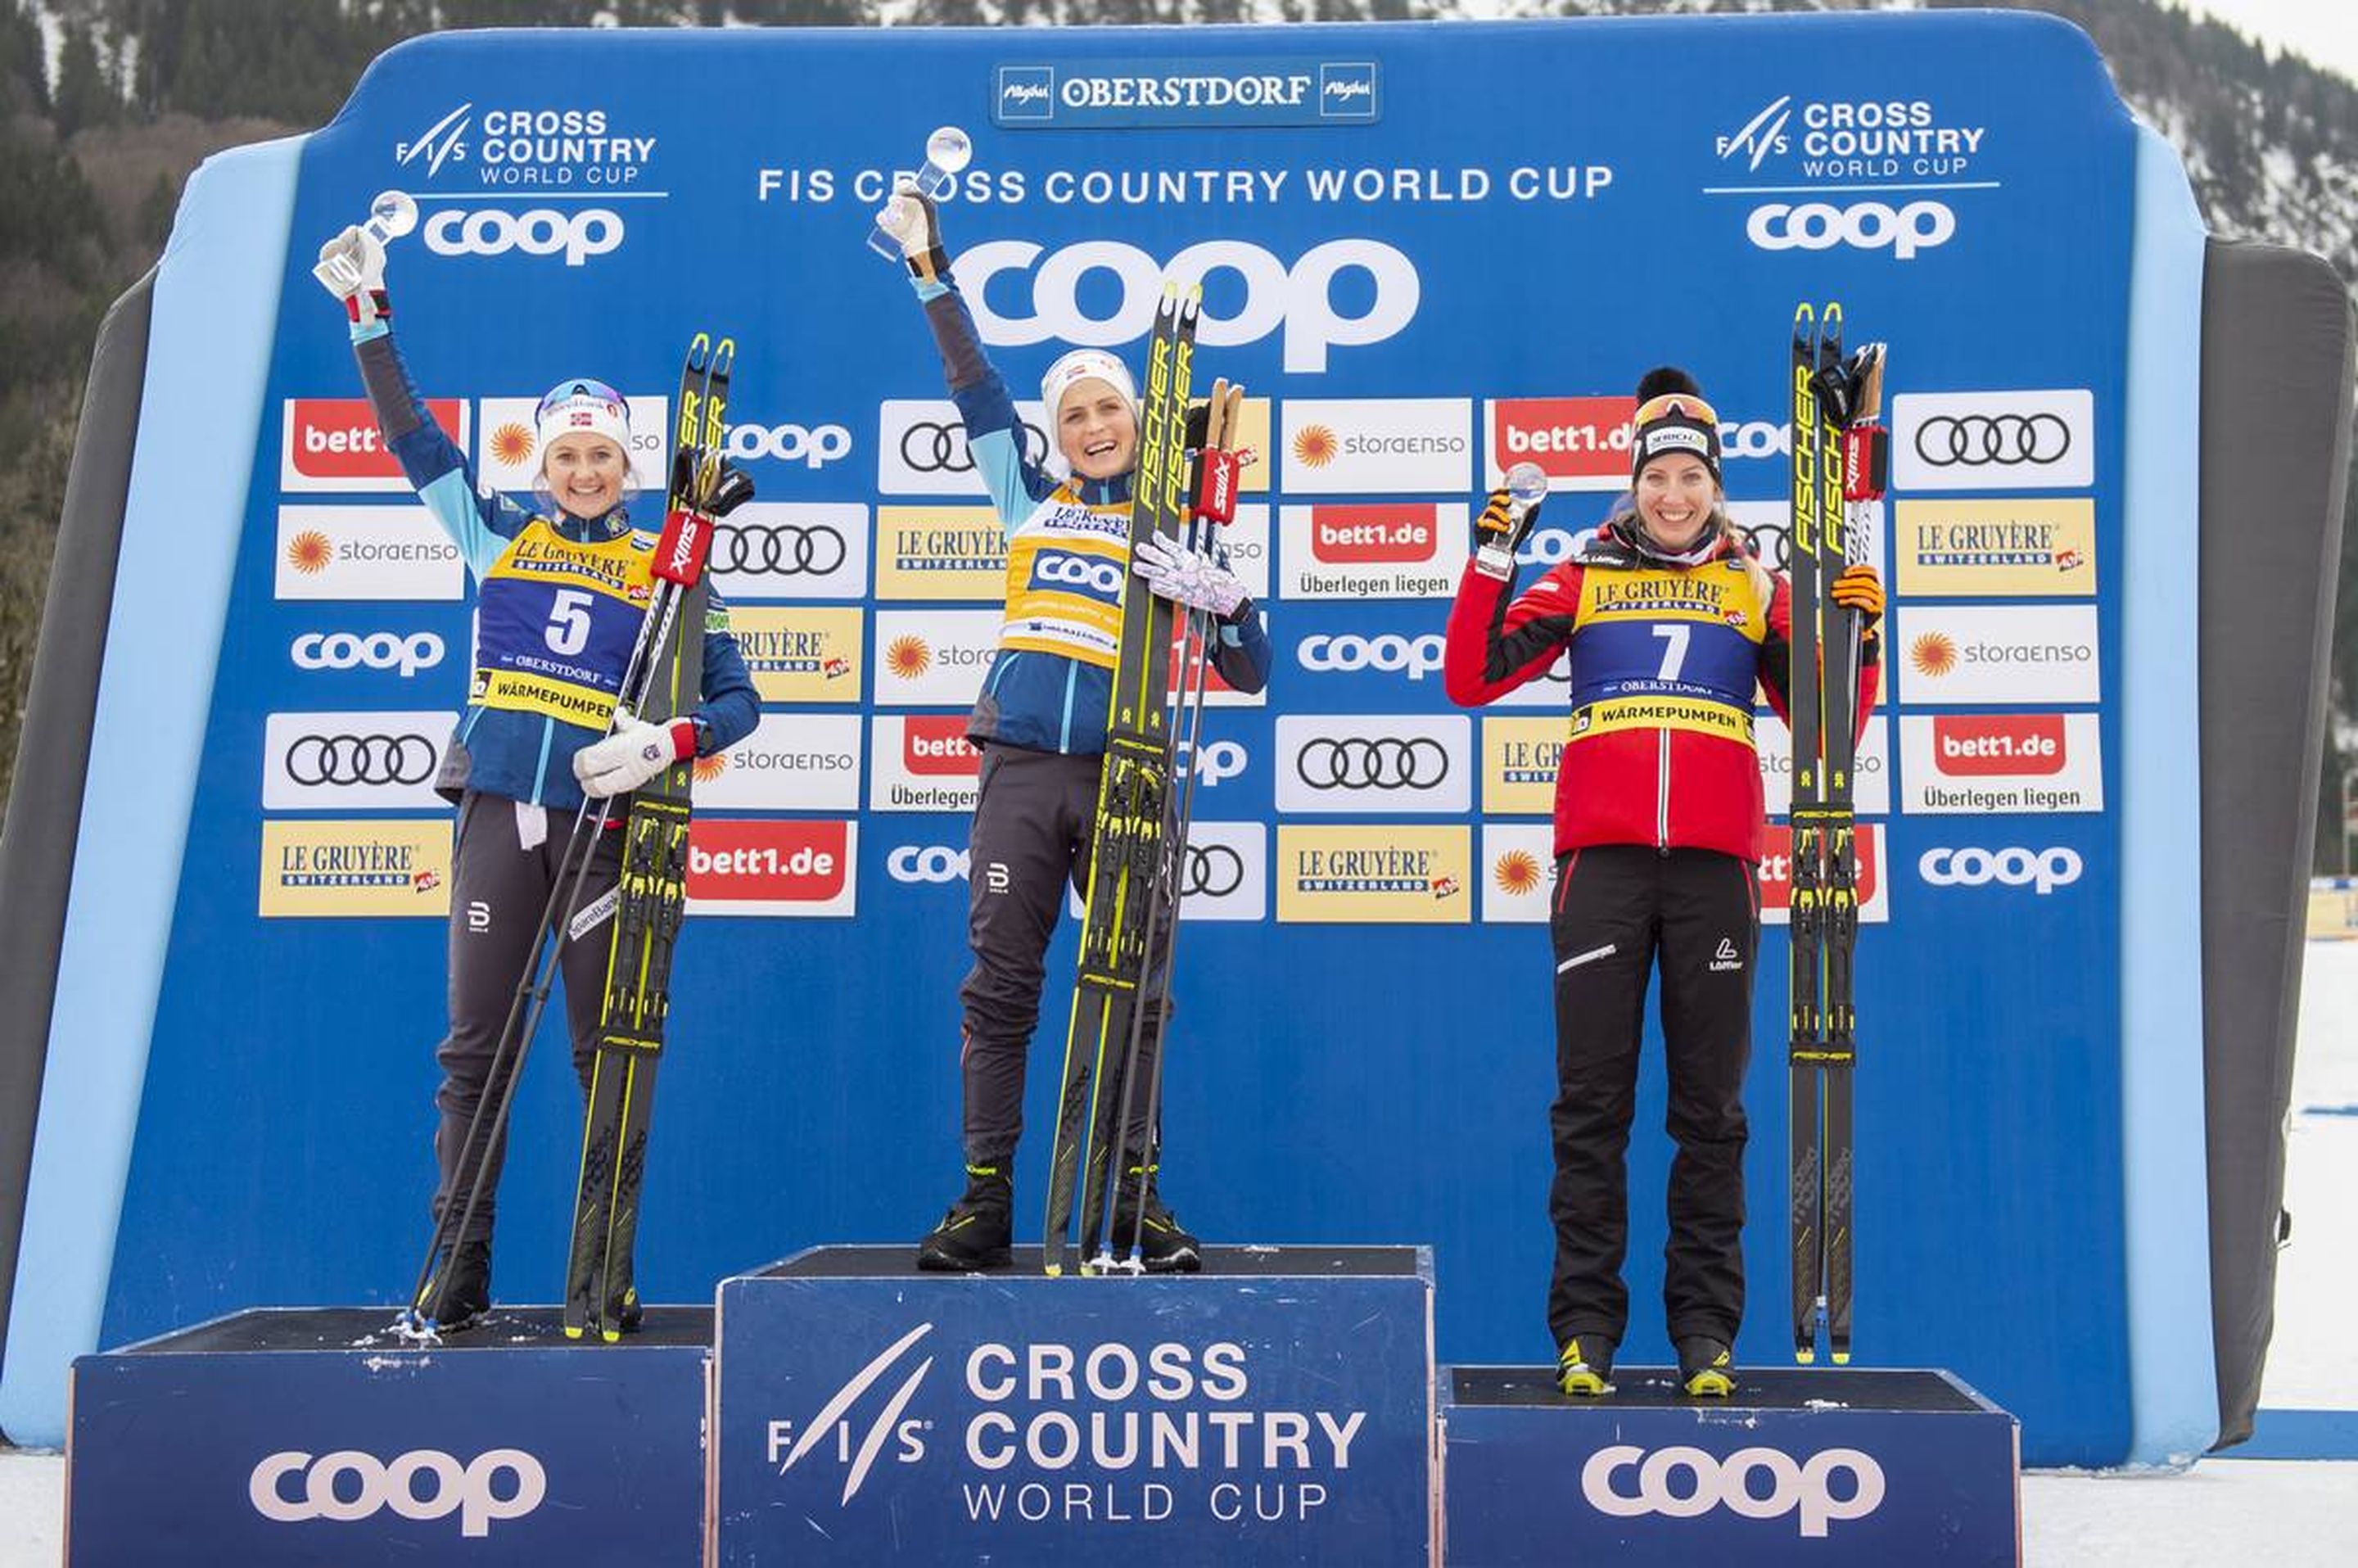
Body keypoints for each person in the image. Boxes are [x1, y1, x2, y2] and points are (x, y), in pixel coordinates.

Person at [316, 222, 759, 1329]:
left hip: (607, 825)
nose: (584, 469)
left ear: (628, 466)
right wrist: (372, 319)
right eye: (566, 452)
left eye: (602, 454)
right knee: (474, 1046)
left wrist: (668, 742)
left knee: (601, 1051)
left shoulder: (672, 570)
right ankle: (454, 1270)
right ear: (541, 462)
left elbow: (741, 701)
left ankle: (598, 1268)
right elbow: (414, 438)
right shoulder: (498, 530)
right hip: (499, 803)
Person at [1442, 368, 1883, 1397]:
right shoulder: (1583, 571)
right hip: (1602, 865)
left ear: (1717, 486)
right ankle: (1586, 1330)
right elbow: (1471, 678)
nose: (1673, 495)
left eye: (1692, 477)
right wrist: (1489, 559)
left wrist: (1862, 641)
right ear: (1633, 482)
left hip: (1717, 870)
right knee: (1591, 1107)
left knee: (1710, 1111)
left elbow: (1831, 733)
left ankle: (1705, 1335)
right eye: (1657, 477)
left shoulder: (1759, 582)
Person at [872, 184, 1273, 1273]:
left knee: (1136, 983)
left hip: (1134, 774)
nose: (1095, 427)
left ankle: (1134, 1192)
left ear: (1141, 424)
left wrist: (1227, 601)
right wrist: (929, 267)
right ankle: (986, 1195)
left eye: (1111, 410)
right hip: (1022, 770)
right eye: (1077, 415)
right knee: (1001, 984)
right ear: (1058, 434)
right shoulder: (1027, 496)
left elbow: (1253, 672)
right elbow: (972, 381)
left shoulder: (1178, 521)